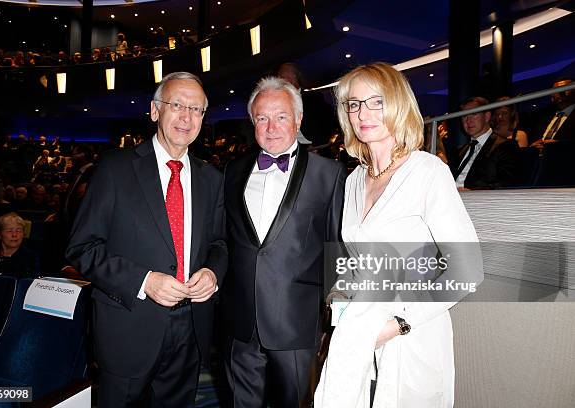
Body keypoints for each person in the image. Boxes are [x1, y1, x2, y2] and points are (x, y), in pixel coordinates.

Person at [314, 63, 480, 408]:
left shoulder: (428, 171)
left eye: (376, 102)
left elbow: (466, 271)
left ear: (398, 105)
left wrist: (399, 324)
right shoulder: (354, 179)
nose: (363, 113)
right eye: (354, 104)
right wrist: (339, 293)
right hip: (359, 332)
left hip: (411, 333)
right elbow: (356, 261)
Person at [66, 72, 228, 407]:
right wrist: (144, 281)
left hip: (191, 329)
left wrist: (212, 273)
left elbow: (219, 244)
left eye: (196, 109)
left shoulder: (211, 178)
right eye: (177, 105)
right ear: (155, 110)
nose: (186, 117)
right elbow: (82, 248)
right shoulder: (114, 169)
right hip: (128, 325)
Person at [221, 76, 346, 407]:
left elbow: (336, 247)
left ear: (299, 119)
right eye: (262, 118)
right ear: (253, 122)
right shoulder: (232, 172)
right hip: (240, 320)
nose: (271, 127)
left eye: (281, 116)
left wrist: (332, 315)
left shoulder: (329, 174)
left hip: (296, 322)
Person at [453, 96, 519, 190]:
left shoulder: (505, 146)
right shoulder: (461, 150)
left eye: (474, 114)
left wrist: (472, 192)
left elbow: (506, 183)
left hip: (477, 201)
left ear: (487, 116)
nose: (468, 120)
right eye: (464, 116)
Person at [530, 77, 574, 147]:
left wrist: (560, 146)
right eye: (556, 90)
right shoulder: (544, 116)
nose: (561, 92)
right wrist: (533, 147)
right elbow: (535, 141)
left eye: (565, 88)